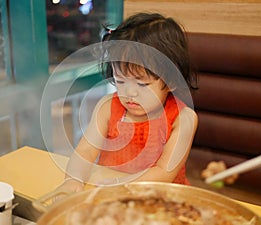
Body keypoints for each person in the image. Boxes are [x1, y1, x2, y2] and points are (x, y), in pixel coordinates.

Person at [58, 12, 198, 193]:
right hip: (107, 192)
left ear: (171, 80)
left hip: (161, 198)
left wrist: (119, 186)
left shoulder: (183, 118)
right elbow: (85, 151)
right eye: (121, 80)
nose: (129, 93)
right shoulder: (108, 107)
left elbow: (163, 173)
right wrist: (72, 180)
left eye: (142, 84)